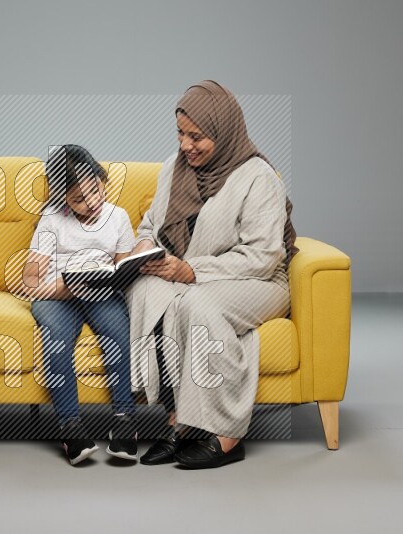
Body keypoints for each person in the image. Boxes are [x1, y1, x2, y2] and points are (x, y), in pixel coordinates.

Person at [126, 80, 299, 469]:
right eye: (180, 133)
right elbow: (151, 225)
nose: (186, 145)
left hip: (257, 281)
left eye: (197, 136)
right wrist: (143, 248)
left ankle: (227, 433)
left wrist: (190, 270)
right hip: (189, 274)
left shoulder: (258, 177)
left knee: (196, 304)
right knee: (145, 292)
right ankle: (180, 420)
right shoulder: (174, 168)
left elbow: (263, 256)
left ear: (224, 132)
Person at [22, 145, 138, 465]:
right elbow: (30, 281)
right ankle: (71, 428)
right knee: (56, 341)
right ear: (62, 199)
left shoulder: (118, 218)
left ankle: (126, 422)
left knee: (118, 333)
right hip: (59, 296)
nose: (91, 203)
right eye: (78, 199)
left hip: (100, 293)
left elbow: (123, 271)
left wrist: (115, 277)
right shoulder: (51, 220)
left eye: (95, 190)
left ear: (102, 179)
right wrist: (65, 287)